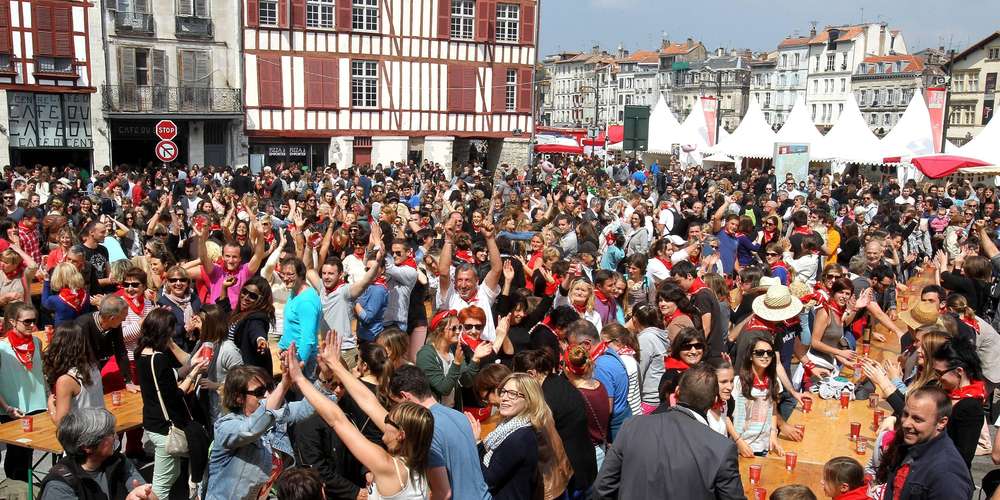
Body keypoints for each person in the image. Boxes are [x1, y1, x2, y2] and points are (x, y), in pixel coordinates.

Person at [309, 340, 441, 499]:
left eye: (390, 420)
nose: (384, 420)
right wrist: (335, 364)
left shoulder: (387, 467)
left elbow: (338, 420)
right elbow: (370, 403)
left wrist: (299, 379)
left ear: (401, 434)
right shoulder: (418, 459)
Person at [593, 364, 744, 499]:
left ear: (677, 391)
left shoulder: (632, 426)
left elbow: (602, 488)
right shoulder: (721, 448)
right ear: (713, 401)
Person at [205, 363, 329, 500]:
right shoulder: (225, 427)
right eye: (259, 392)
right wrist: (284, 385)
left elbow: (306, 407)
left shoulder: (274, 420)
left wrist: (324, 378)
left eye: (270, 388)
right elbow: (250, 430)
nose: (268, 394)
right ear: (239, 398)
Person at [135, 308, 210, 499]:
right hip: (164, 428)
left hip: (152, 421)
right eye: (171, 329)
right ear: (163, 331)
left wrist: (191, 365)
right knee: (160, 487)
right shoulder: (159, 358)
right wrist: (194, 374)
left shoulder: (142, 353)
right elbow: (175, 394)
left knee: (172, 474)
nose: (173, 333)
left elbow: (166, 378)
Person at [875, 387, 973, 499]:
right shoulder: (911, 444)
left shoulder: (947, 474)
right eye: (905, 414)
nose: (906, 424)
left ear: (941, 422)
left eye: (917, 419)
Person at [38, 408, 154, 500]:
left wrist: (145, 495)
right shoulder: (60, 487)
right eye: (109, 434)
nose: (115, 437)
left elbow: (150, 495)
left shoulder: (118, 461)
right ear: (87, 447)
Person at [465, 373, 543, 500]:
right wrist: (478, 441)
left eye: (513, 394)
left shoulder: (519, 438)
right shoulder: (509, 425)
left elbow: (486, 479)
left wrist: (476, 444)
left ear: (529, 400)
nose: (504, 398)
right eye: (503, 392)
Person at [0, 302, 48, 481]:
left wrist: (50, 395)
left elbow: (41, 373)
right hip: (13, 409)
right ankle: (15, 490)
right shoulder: (2, 347)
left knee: (29, 453)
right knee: (17, 454)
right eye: (27, 321)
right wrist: (6, 408)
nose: (32, 325)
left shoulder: (37, 341)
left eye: (34, 321)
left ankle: (25, 489)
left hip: (38, 406)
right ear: (12, 322)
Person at [565, 319, 631, 441]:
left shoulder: (599, 366)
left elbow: (606, 408)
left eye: (572, 346)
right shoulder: (608, 352)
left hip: (615, 430)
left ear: (586, 345)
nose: (571, 351)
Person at [929, 336, 986, 469]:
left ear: (959, 371)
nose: (937, 377)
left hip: (942, 476)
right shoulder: (944, 391)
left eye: (940, 373)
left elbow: (962, 457)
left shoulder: (970, 407)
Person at [732, 331, 784, 457]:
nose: (765, 356)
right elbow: (727, 416)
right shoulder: (738, 382)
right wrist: (738, 442)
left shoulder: (775, 381)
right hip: (741, 447)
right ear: (750, 356)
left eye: (769, 353)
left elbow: (773, 412)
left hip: (764, 446)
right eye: (760, 353)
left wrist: (773, 435)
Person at [43, 323, 104, 426]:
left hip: (83, 435)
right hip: (101, 428)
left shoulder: (66, 380)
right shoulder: (93, 368)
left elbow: (61, 422)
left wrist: (51, 406)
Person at [563, 343, 611, 470]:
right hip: (601, 448)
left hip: (587, 455)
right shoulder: (600, 385)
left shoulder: (575, 396)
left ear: (567, 370)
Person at [218, 275, 276, 374]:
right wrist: (224, 287)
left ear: (262, 300)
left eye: (252, 296)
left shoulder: (257, 318)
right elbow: (225, 314)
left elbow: (256, 330)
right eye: (244, 292)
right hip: (234, 372)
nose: (246, 298)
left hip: (247, 376)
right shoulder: (240, 314)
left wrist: (260, 340)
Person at [277, 257, 322, 376]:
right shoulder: (294, 292)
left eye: (290, 274)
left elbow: (308, 337)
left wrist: (301, 362)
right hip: (290, 355)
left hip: (302, 359)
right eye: (283, 274)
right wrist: (282, 346)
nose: (285, 278)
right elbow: (290, 325)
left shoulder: (306, 301)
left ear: (301, 275)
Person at [629, 302, 669, 414]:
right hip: (657, 397)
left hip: (649, 400)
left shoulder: (646, 339)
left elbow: (638, 371)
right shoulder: (659, 335)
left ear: (635, 319)